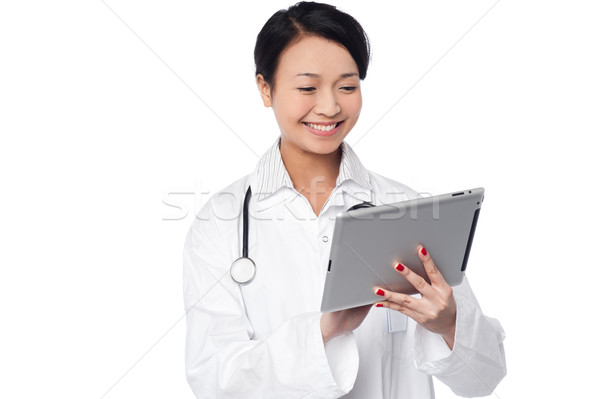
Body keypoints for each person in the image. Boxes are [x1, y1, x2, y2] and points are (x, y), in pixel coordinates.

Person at [183, 2, 506, 398]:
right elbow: (216, 382)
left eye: (347, 86)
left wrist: (450, 322)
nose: (330, 106)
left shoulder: (404, 209)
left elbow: (485, 378)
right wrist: (326, 330)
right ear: (265, 89)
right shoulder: (220, 223)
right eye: (307, 88)